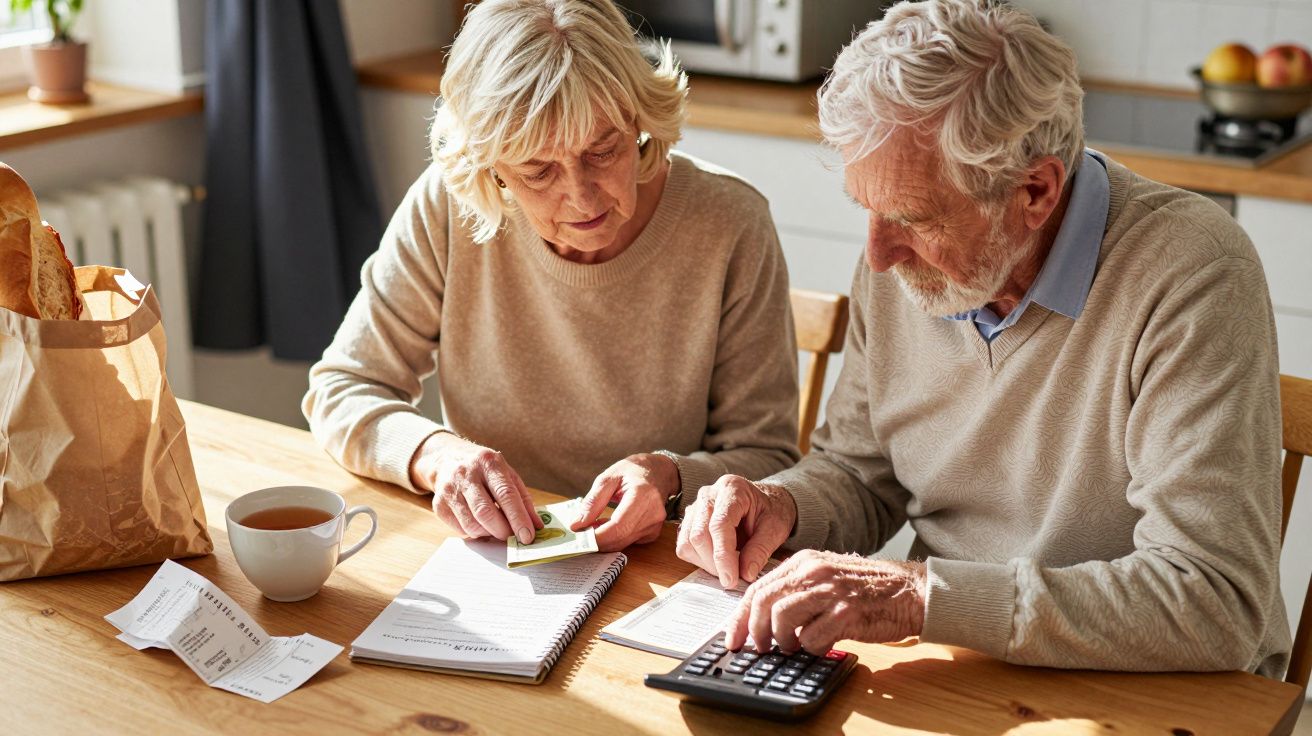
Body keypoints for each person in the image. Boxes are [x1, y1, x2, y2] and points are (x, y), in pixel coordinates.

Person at [676, 0, 1291, 677]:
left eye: (912, 217)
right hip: (957, 662)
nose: (878, 255)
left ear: (1035, 190)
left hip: (1157, 687)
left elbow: (1213, 602)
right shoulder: (904, 265)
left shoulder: (1192, 273)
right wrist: (783, 505)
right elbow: (860, 470)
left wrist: (917, 597)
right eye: (867, 210)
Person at [303, 0, 799, 552]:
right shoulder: (448, 207)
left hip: (665, 560)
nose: (581, 196)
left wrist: (670, 477)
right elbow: (344, 389)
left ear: (639, 119)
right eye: (538, 171)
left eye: (604, 150)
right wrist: (439, 456)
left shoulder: (730, 222)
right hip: (493, 553)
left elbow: (769, 458)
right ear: (490, 167)